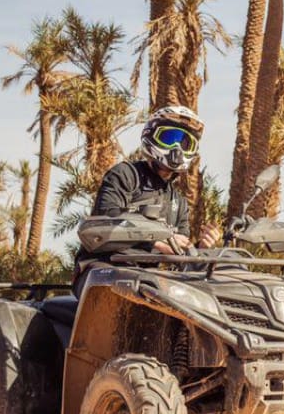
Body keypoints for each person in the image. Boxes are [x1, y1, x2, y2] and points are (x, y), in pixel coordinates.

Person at [79, 106, 220, 288]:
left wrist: (200, 248)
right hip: (101, 269)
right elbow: (107, 221)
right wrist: (155, 240)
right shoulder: (125, 174)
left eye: (185, 143)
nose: (177, 147)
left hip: (149, 280)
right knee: (132, 289)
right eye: (169, 138)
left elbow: (179, 252)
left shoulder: (178, 201)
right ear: (151, 136)